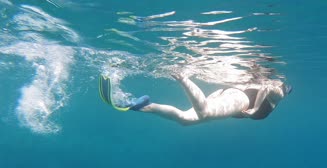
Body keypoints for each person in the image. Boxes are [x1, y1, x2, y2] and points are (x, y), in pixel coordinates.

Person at [101, 73, 292, 125]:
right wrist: (256, 108)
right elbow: (267, 86)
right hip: (240, 99)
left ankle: (142, 105)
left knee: (186, 119)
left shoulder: (274, 93)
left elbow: (265, 84)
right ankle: (182, 77)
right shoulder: (278, 93)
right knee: (205, 112)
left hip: (227, 95)